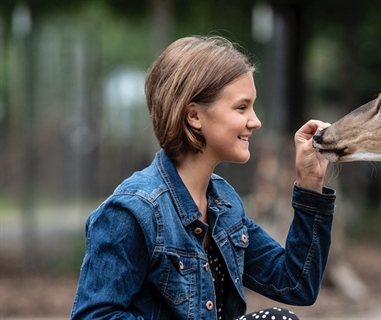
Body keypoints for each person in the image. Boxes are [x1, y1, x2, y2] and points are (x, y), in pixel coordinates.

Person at [70, 35, 336, 320]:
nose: (255, 121)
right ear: (194, 116)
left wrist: (310, 185)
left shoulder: (225, 204)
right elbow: (93, 316)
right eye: (242, 107)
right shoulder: (133, 211)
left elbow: (295, 285)